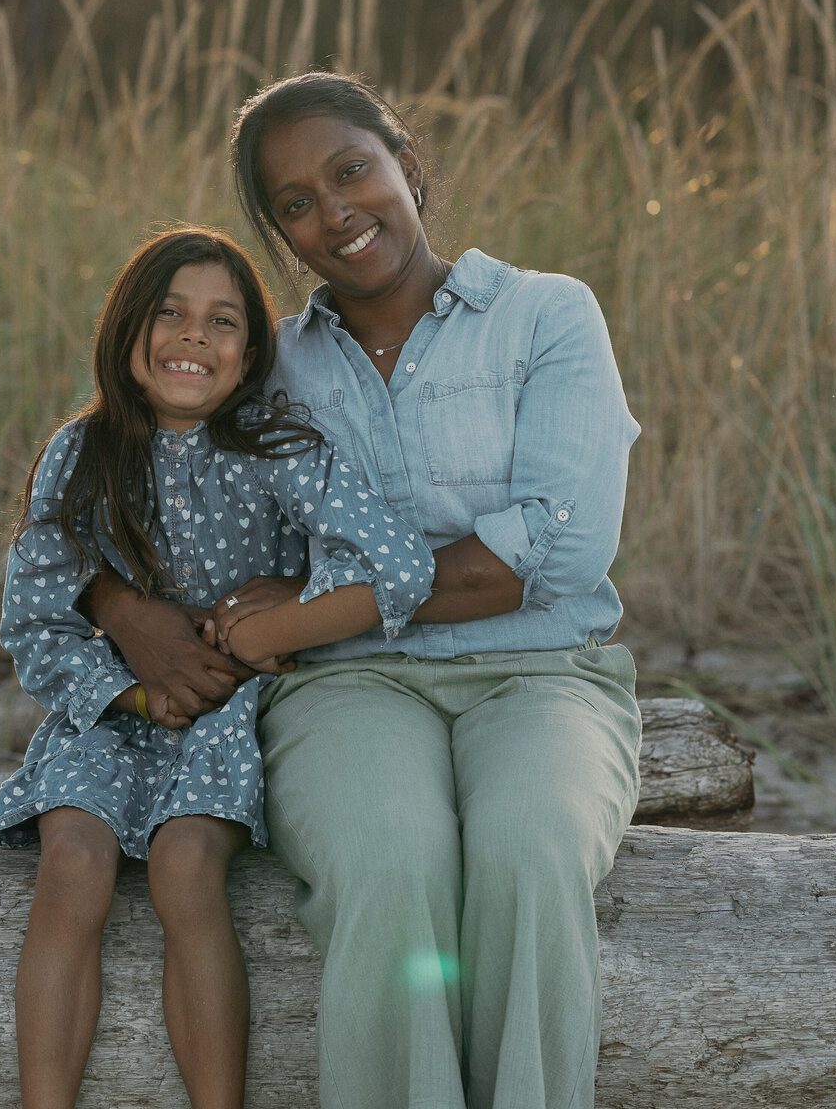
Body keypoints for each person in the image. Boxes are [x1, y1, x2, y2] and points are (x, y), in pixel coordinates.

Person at [87, 77, 643, 1109]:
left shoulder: (545, 314)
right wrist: (121, 608)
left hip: (544, 673)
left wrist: (302, 606)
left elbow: (550, 554)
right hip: (346, 686)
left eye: (352, 170)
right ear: (279, 233)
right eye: (295, 203)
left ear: (407, 166)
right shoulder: (272, 365)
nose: (334, 212)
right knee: (391, 863)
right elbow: (126, 469)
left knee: (529, 854)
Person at [0, 225, 434, 1109]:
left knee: (185, 863)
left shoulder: (280, 450)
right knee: (72, 855)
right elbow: (34, 618)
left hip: (233, 710)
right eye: (170, 313)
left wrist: (285, 618)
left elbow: (400, 564)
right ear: (125, 330)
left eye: (223, 321)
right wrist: (131, 689)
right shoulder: (81, 456)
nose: (194, 336)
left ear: (252, 354)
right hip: (112, 706)